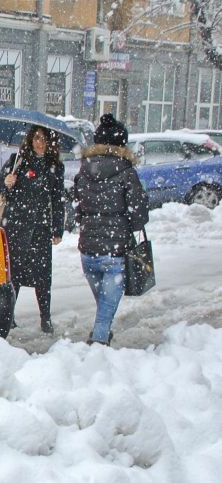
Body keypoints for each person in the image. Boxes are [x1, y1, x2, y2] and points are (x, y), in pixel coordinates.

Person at [71, 113, 150, 346]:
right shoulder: (127, 172)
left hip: (88, 250)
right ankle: (99, 341)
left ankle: (100, 333)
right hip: (114, 251)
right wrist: (131, 224)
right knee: (106, 306)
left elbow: (78, 207)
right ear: (121, 144)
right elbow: (139, 215)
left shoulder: (83, 170)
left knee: (104, 304)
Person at [0, 125, 66, 334]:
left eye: (43, 139)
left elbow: (57, 199)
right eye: (36, 138)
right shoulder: (18, 160)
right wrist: (8, 181)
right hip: (16, 225)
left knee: (43, 276)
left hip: (40, 228)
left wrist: (57, 229)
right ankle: (9, 316)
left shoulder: (55, 166)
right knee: (13, 274)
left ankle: (46, 317)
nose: (39, 143)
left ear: (51, 142)